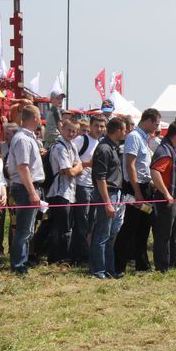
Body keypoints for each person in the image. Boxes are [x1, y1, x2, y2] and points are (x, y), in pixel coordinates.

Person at [115, 108, 161, 274]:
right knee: (130, 226)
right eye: (155, 123)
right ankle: (118, 265)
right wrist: (137, 192)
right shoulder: (134, 137)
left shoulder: (144, 138)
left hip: (145, 186)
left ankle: (142, 264)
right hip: (136, 187)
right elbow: (130, 165)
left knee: (143, 226)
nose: (156, 127)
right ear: (148, 121)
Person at [7, 105, 45, 274]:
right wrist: (32, 192)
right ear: (35, 118)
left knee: (28, 228)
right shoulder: (23, 139)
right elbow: (23, 167)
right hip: (24, 187)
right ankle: (17, 263)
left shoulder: (27, 138)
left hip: (28, 186)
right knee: (23, 229)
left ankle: (23, 259)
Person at [37, 120, 82, 264]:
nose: (71, 133)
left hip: (69, 191)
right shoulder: (59, 147)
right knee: (59, 226)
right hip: (58, 192)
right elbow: (69, 171)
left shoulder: (72, 145)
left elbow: (77, 167)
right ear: (62, 129)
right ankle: (57, 257)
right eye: (69, 130)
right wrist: (75, 169)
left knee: (61, 225)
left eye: (74, 131)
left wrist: (74, 169)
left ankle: (52, 253)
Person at [149, 120, 176, 272]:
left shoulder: (175, 148)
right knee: (163, 234)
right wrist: (166, 193)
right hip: (166, 198)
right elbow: (155, 172)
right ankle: (162, 267)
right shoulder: (164, 150)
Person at [89, 117, 126, 279]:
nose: (125, 133)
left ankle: (109, 269)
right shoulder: (104, 149)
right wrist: (107, 203)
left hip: (115, 194)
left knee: (111, 235)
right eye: (124, 130)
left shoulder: (113, 147)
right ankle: (98, 269)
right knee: (102, 234)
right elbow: (100, 178)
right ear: (118, 130)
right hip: (107, 194)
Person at [72, 114, 106, 265]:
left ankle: (86, 253)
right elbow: (71, 159)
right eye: (97, 126)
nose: (99, 129)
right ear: (90, 126)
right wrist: (87, 164)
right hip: (82, 185)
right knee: (82, 223)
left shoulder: (101, 142)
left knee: (91, 222)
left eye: (102, 126)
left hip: (95, 186)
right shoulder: (81, 140)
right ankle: (80, 256)